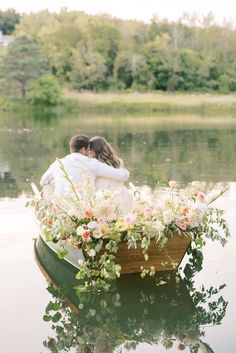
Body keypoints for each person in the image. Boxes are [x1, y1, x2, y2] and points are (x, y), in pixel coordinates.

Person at [40, 134, 129, 196]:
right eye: (88, 149)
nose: (89, 153)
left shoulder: (58, 163)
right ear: (83, 149)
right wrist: (122, 167)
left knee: (47, 187)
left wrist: (56, 182)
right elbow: (123, 176)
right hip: (86, 212)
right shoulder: (92, 163)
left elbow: (42, 181)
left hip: (62, 210)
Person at [88, 136, 133, 213]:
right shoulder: (119, 162)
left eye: (90, 150)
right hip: (121, 199)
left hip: (104, 203)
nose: (89, 153)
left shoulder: (95, 165)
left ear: (96, 150)